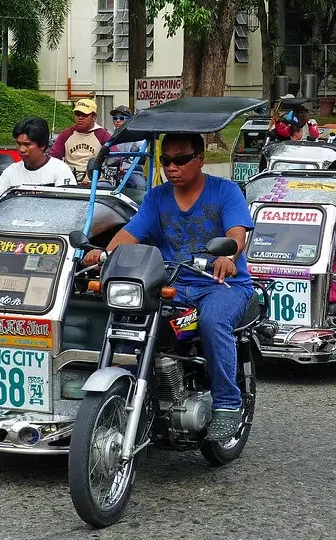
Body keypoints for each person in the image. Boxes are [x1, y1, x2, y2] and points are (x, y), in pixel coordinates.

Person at [82, 133, 254, 441]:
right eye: (165, 161)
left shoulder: (225, 191)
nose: (171, 167)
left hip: (222, 285)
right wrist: (104, 254)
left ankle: (228, 403)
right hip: (172, 284)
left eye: (180, 160)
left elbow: (236, 233)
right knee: (127, 315)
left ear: (200, 159)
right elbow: (131, 233)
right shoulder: (157, 197)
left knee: (214, 320)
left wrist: (228, 256)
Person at [0, 116, 77, 198]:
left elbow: (68, 204)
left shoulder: (61, 170)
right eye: (18, 144)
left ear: (42, 145)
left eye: (27, 144)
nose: (21, 149)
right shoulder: (11, 171)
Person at [50, 98, 112, 179]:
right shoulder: (65, 135)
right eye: (77, 114)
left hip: (97, 181)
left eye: (85, 115)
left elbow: (115, 156)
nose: (80, 117)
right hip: (71, 180)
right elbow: (53, 157)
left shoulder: (103, 135)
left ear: (94, 117)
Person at [107, 105, 147, 189]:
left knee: (140, 185)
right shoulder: (108, 134)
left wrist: (138, 156)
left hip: (132, 170)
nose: (118, 121)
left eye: (121, 118)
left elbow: (142, 151)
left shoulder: (137, 135)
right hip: (111, 172)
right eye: (115, 118)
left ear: (130, 120)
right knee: (100, 187)